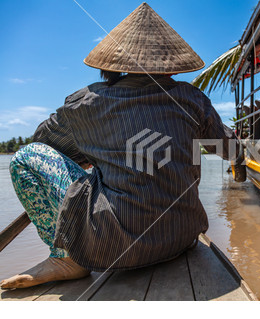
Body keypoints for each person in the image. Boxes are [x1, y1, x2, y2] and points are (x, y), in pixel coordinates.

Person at [1, 2, 239, 289]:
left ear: (111, 68)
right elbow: (231, 150)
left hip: (112, 247)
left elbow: (43, 143)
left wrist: (92, 153)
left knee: (26, 157)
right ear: (170, 68)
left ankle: (66, 258)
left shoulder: (87, 102)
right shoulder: (191, 98)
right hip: (182, 237)